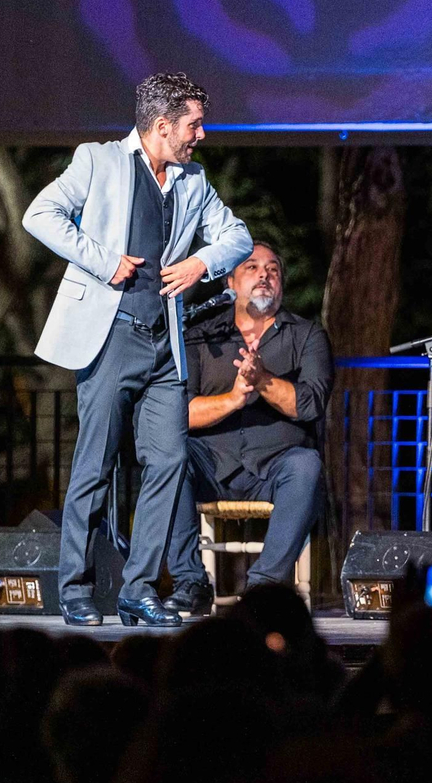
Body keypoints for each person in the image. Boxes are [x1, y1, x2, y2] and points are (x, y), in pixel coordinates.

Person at [23, 72, 253, 627]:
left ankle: (139, 588)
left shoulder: (193, 180)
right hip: (110, 337)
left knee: (169, 462)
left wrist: (202, 263)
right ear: (162, 124)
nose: (201, 135)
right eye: (194, 124)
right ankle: (75, 587)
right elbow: (39, 215)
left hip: (164, 346)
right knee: (96, 465)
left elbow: (238, 236)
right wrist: (104, 261)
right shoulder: (98, 161)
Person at [165, 242, 331, 614]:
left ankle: (263, 588)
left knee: (307, 465)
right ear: (231, 281)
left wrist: (262, 380)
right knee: (167, 455)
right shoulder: (199, 334)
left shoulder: (307, 336)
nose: (264, 276)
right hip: (211, 462)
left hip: (275, 464)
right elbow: (179, 413)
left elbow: (311, 403)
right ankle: (190, 581)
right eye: (252, 268)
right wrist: (234, 398)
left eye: (273, 269)